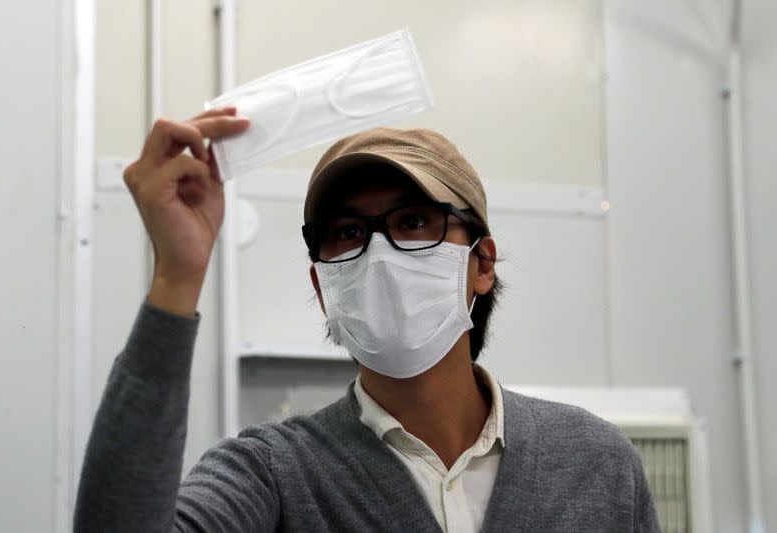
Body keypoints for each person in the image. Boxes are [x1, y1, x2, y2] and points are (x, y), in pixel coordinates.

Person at [74, 107, 660, 532]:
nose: (379, 256)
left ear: (481, 263)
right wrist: (177, 277)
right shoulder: (273, 476)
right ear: (322, 285)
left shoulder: (595, 462)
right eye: (348, 233)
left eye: (413, 222)